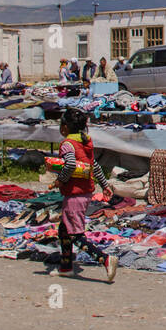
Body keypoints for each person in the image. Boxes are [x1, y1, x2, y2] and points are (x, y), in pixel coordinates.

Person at [50, 107, 118, 280]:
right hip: (85, 191)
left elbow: (70, 164)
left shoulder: (67, 144)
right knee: (64, 230)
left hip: (74, 193)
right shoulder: (85, 141)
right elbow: (94, 165)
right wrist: (104, 184)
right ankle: (65, 267)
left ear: (64, 127)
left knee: (75, 234)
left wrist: (60, 180)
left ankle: (105, 259)